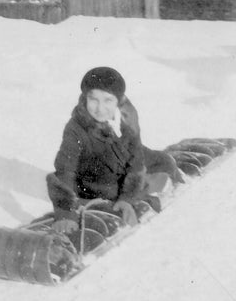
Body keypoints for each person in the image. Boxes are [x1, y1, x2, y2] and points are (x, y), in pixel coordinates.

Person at [46, 67, 177, 233]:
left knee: (164, 162)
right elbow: (65, 170)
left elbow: (135, 162)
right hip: (97, 172)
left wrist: (127, 198)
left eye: (108, 100)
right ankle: (147, 183)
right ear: (85, 98)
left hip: (120, 154)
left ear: (119, 101)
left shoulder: (127, 117)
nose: (100, 108)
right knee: (110, 191)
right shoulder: (76, 128)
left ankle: (157, 175)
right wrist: (65, 213)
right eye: (93, 100)